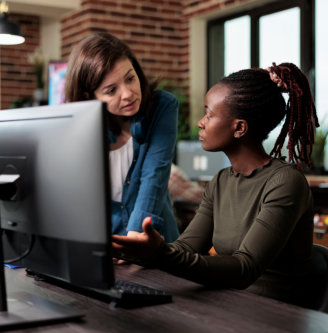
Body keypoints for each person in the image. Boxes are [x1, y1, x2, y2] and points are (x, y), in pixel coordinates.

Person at [112, 62, 320, 307]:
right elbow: (186, 248)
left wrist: (160, 255)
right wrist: (133, 250)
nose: (200, 122)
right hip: (229, 302)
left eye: (209, 114)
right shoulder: (220, 181)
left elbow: (245, 267)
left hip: (275, 314)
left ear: (239, 128)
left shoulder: (285, 182)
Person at [64, 32, 179, 242]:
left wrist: (134, 238)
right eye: (111, 90)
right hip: (106, 245)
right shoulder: (78, 127)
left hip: (153, 242)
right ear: (89, 96)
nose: (127, 93)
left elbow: (154, 175)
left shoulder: (162, 106)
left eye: (130, 78)